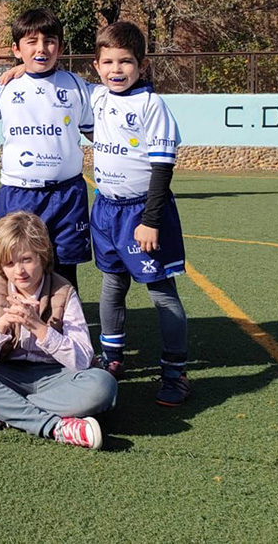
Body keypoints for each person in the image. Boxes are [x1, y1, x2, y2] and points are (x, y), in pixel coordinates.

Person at [0, 212, 118, 449]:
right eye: (9, 263)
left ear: (42, 256)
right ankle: (56, 427)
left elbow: (81, 360)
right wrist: (2, 324)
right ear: (0, 266)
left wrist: (39, 328)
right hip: (8, 375)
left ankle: (2, 412)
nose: (19, 271)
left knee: (103, 386)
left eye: (26, 259)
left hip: (57, 377)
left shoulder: (63, 292)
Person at [89, 21, 191, 406]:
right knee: (112, 286)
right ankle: (112, 358)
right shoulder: (97, 98)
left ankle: (175, 371)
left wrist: (150, 220)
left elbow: (162, 169)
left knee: (161, 292)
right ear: (97, 66)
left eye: (126, 62)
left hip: (142, 214)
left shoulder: (152, 105)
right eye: (109, 61)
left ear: (142, 65)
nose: (117, 70)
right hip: (105, 209)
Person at [0, 9, 95, 291]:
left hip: (67, 194)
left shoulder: (78, 87)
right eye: (31, 41)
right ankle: (19, 329)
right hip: (19, 193)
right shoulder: (4, 88)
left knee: (65, 268)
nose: (41, 48)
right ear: (16, 49)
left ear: (61, 47)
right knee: (19, 268)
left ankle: (67, 329)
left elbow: (98, 127)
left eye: (49, 41)